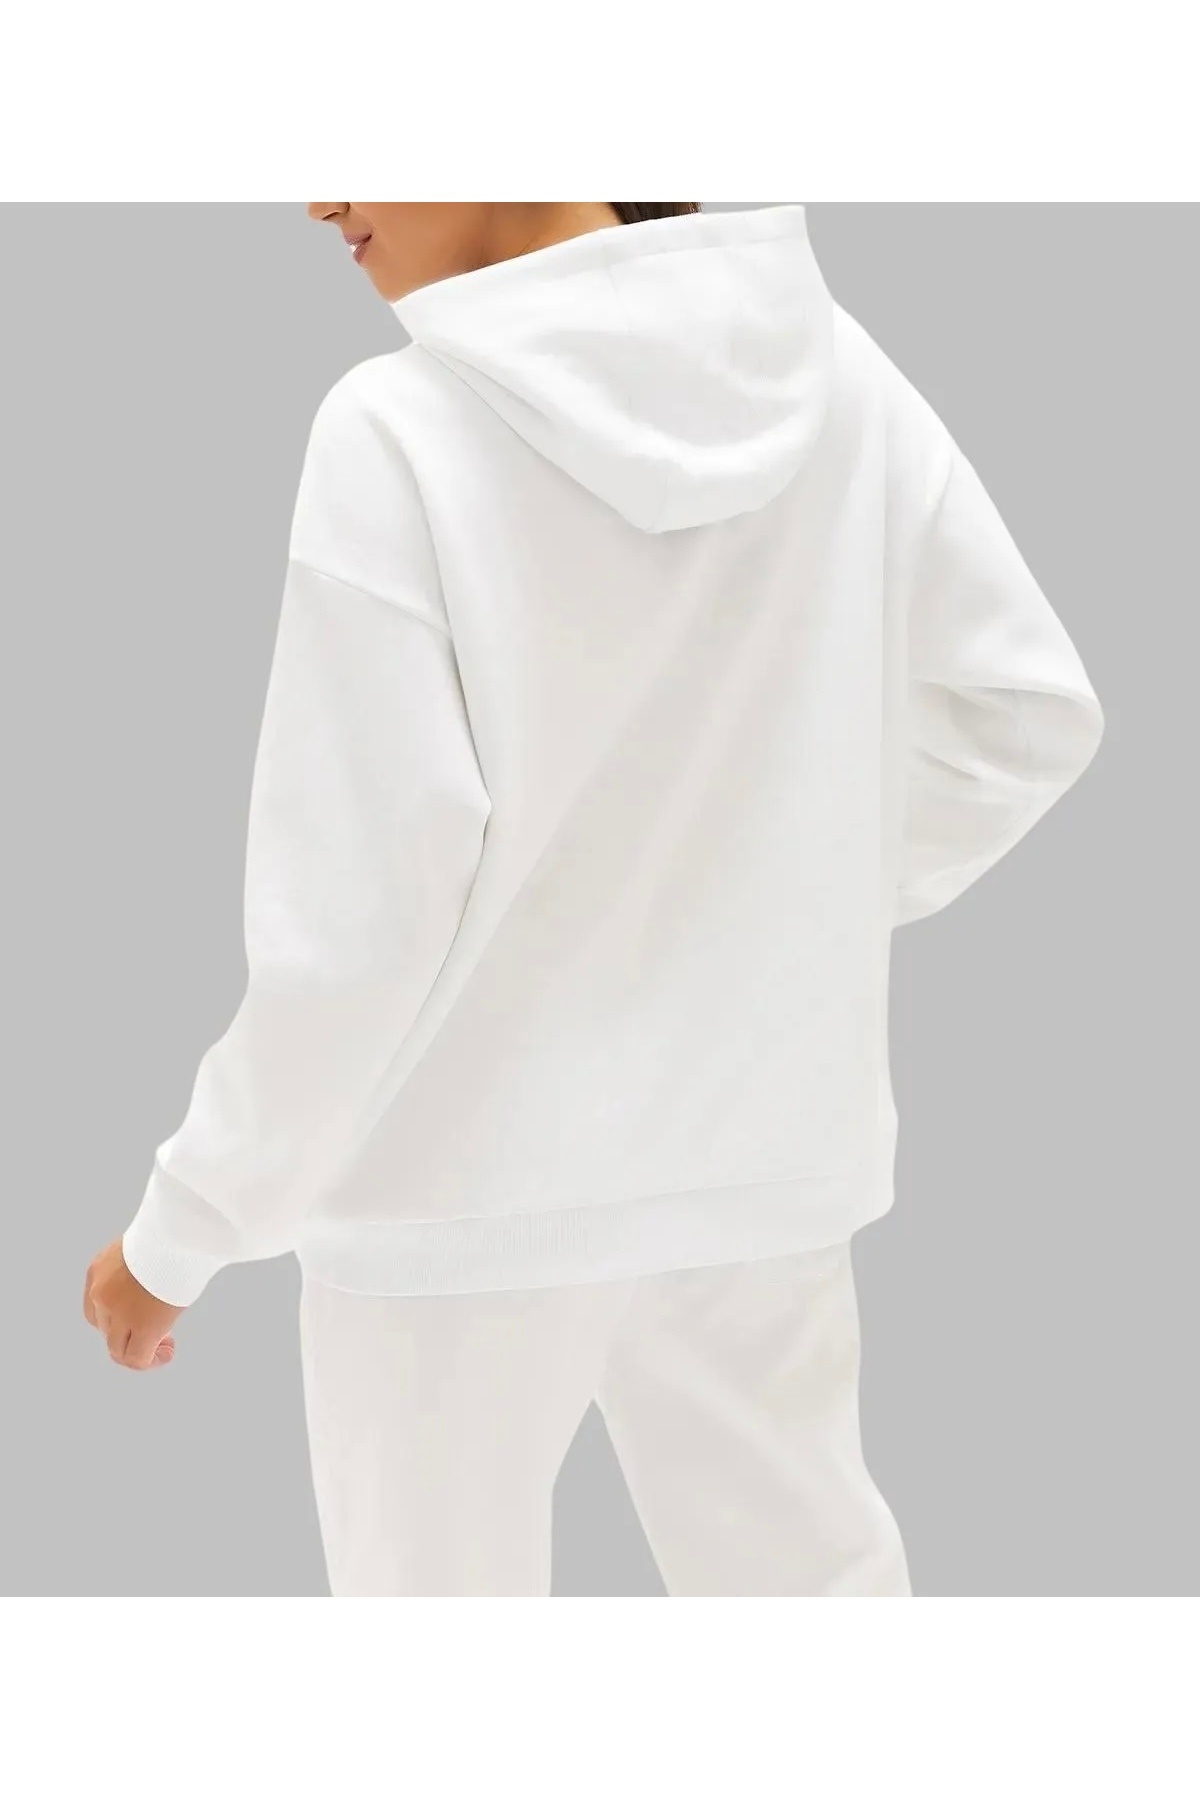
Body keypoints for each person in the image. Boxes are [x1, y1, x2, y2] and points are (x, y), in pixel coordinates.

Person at [82, 202, 1104, 1596]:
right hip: (761, 1158)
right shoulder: (830, 371)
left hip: (449, 1196)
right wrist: (770, 901)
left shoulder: (398, 431)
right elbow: (1022, 718)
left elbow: (357, 933)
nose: (314, 195)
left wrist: (179, 1235)